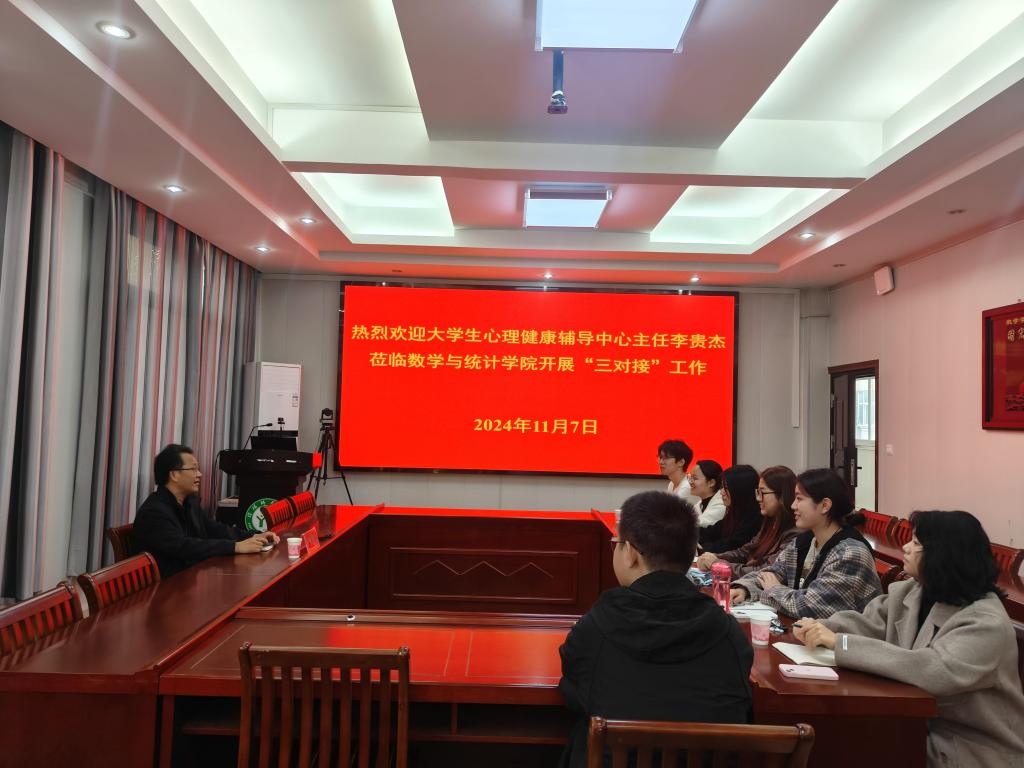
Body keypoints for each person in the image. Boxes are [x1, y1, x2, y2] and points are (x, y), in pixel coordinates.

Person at [795, 511, 1024, 767]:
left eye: (915, 543)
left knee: (848, 745)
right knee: (838, 736)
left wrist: (841, 643)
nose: (905, 547)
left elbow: (933, 669)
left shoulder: (986, 622)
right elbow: (869, 623)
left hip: (970, 746)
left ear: (942, 554)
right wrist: (819, 627)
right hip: (916, 724)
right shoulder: (913, 591)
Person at [558, 491, 752, 768]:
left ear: (631, 554)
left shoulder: (598, 626)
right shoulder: (727, 632)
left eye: (616, 544)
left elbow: (572, 687)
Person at [731, 468, 880, 618]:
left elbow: (810, 607)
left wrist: (773, 589)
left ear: (825, 505)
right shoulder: (805, 542)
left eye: (799, 499)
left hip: (840, 633)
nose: (793, 505)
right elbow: (771, 573)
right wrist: (745, 589)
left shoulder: (850, 553)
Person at [133, 443, 278, 578]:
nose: (199, 474)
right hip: (167, 586)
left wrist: (253, 536)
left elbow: (214, 529)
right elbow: (184, 546)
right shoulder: (154, 512)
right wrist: (235, 547)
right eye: (193, 469)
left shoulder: (189, 503)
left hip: (191, 576)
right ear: (174, 475)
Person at [697, 465, 798, 578]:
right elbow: (744, 551)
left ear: (782, 495)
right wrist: (715, 557)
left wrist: (717, 564)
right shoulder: (770, 522)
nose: (758, 498)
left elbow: (766, 570)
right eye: (757, 492)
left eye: (762, 493)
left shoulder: (793, 533)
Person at [699, 464, 761, 554]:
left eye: (726, 488)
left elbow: (731, 546)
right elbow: (710, 532)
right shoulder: (735, 512)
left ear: (740, 490)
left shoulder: (755, 518)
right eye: (721, 487)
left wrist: (701, 547)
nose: (721, 492)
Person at [688, 459, 726, 528]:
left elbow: (701, 524)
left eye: (695, 478)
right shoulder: (699, 505)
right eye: (690, 477)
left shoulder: (721, 504)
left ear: (711, 482)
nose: (690, 482)